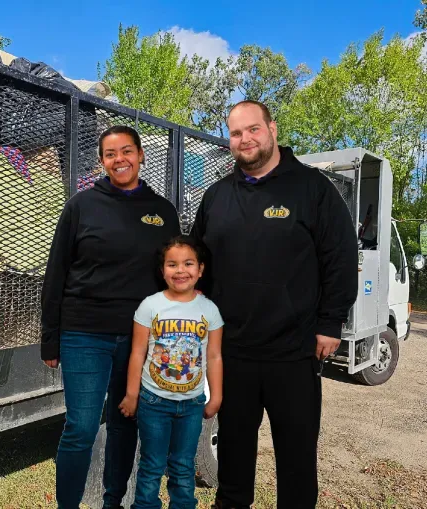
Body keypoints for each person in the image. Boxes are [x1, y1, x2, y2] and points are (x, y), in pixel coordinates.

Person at [190, 100, 358, 509]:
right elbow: (198, 266)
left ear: (272, 129)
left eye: (253, 129)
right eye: (235, 133)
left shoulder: (312, 189)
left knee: (297, 463)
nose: (244, 139)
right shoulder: (216, 198)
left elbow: (339, 257)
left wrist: (331, 322)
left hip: (294, 353)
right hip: (233, 355)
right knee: (233, 462)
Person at [40, 125, 181, 509]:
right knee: (81, 428)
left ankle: (112, 502)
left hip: (140, 341)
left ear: (140, 155)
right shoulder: (81, 206)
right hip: (84, 335)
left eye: (127, 151)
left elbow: (173, 277)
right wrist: (50, 337)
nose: (120, 159)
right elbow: (56, 273)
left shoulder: (162, 212)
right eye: (110, 154)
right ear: (102, 161)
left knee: (125, 423)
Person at [119, 235, 224, 509]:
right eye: (172, 264)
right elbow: (137, 353)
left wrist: (216, 397)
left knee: (182, 466)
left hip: (191, 405)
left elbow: (214, 356)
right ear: (162, 270)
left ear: (200, 269)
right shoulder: (150, 306)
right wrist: (131, 395)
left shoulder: (209, 310)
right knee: (152, 465)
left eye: (188, 264)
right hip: (154, 402)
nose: (180, 271)